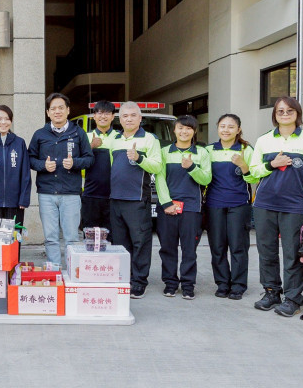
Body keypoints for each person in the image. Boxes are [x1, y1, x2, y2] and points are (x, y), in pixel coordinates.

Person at [249, 96, 303, 318]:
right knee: (266, 250)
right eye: (280, 111)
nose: (284, 114)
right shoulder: (264, 141)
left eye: (289, 111)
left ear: (297, 114)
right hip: (264, 204)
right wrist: (272, 164)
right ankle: (271, 292)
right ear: (274, 115)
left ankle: (292, 298)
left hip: (294, 206)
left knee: (293, 252)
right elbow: (253, 172)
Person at [29, 92, 94, 271]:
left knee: (72, 236)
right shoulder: (40, 134)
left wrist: (75, 163)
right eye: (53, 108)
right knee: (50, 237)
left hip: (71, 192)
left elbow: (89, 159)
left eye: (61, 108)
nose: (57, 111)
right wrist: (43, 165)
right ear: (48, 113)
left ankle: (73, 272)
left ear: (68, 110)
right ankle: (54, 271)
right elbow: (30, 159)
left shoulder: (78, 133)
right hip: (47, 193)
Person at [104, 101, 162, 298]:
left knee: (140, 242)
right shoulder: (115, 140)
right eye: (125, 116)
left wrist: (139, 158)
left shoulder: (150, 139)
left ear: (140, 118)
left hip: (137, 199)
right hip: (116, 199)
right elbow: (115, 168)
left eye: (133, 115)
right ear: (120, 119)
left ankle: (139, 280)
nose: (128, 119)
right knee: (120, 242)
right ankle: (124, 277)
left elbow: (157, 166)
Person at [155, 115, 212, 299]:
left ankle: (188, 285)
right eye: (180, 128)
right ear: (174, 130)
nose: (184, 131)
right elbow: (160, 178)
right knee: (167, 248)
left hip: (191, 208)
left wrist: (191, 167)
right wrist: (167, 203)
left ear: (194, 131)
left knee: (189, 249)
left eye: (188, 128)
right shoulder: (164, 152)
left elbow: (206, 179)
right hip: (168, 207)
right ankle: (170, 283)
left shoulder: (201, 153)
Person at [205, 113, 257, 299]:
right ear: (217, 128)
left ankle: (238, 285)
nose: (226, 130)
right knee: (217, 247)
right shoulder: (209, 150)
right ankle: (222, 283)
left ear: (238, 129)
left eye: (230, 127)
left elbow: (254, 178)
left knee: (238, 247)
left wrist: (244, 165)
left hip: (238, 205)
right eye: (222, 126)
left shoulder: (246, 149)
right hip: (214, 204)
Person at [81, 100, 118, 231]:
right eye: (100, 113)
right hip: (91, 195)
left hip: (114, 195)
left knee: (113, 235)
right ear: (94, 116)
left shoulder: (120, 137)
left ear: (113, 116)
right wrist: (90, 146)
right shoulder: (85, 137)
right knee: (90, 235)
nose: (103, 116)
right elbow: (76, 161)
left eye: (107, 113)